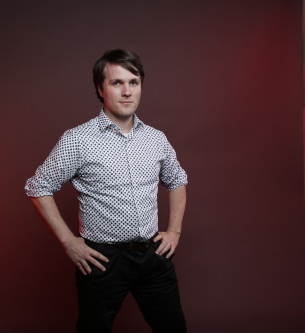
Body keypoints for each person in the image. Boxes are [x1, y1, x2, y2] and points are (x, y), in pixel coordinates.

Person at [25, 49, 188, 333]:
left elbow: (177, 180)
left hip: (152, 257)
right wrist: (68, 242)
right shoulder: (78, 140)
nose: (127, 91)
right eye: (117, 83)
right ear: (100, 90)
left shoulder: (156, 139)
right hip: (101, 261)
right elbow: (38, 187)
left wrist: (173, 231)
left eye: (133, 82)